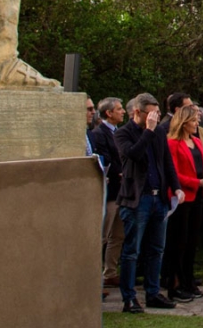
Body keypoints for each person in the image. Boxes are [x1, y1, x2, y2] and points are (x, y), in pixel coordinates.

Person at [115, 93, 184, 314]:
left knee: (156, 249)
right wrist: (149, 130)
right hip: (137, 199)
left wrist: (176, 187)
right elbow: (133, 155)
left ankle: (153, 293)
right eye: (151, 113)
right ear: (138, 112)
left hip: (159, 198)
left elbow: (166, 162)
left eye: (157, 113)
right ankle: (129, 298)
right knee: (132, 251)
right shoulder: (123, 133)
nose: (155, 117)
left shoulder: (159, 133)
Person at [165, 105, 203, 302]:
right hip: (182, 197)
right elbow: (174, 174)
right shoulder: (173, 144)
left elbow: (201, 169)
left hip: (198, 197)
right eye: (194, 121)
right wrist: (197, 182)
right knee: (179, 241)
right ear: (184, 122)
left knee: (191, 241)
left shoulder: (196, 141)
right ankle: (175, 284)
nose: (197, 124)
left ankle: (188, 280)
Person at [89, 97, 126, 287]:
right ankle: (95, 278)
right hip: (110, 192)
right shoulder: (98, 134)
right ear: (108, 113)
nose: (123, 112)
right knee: (104, 235)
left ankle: (110, 271)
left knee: (118, 235)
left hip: (122, 191)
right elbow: (104, 159)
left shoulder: (120, 132)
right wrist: (118, 172)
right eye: (119, 109)